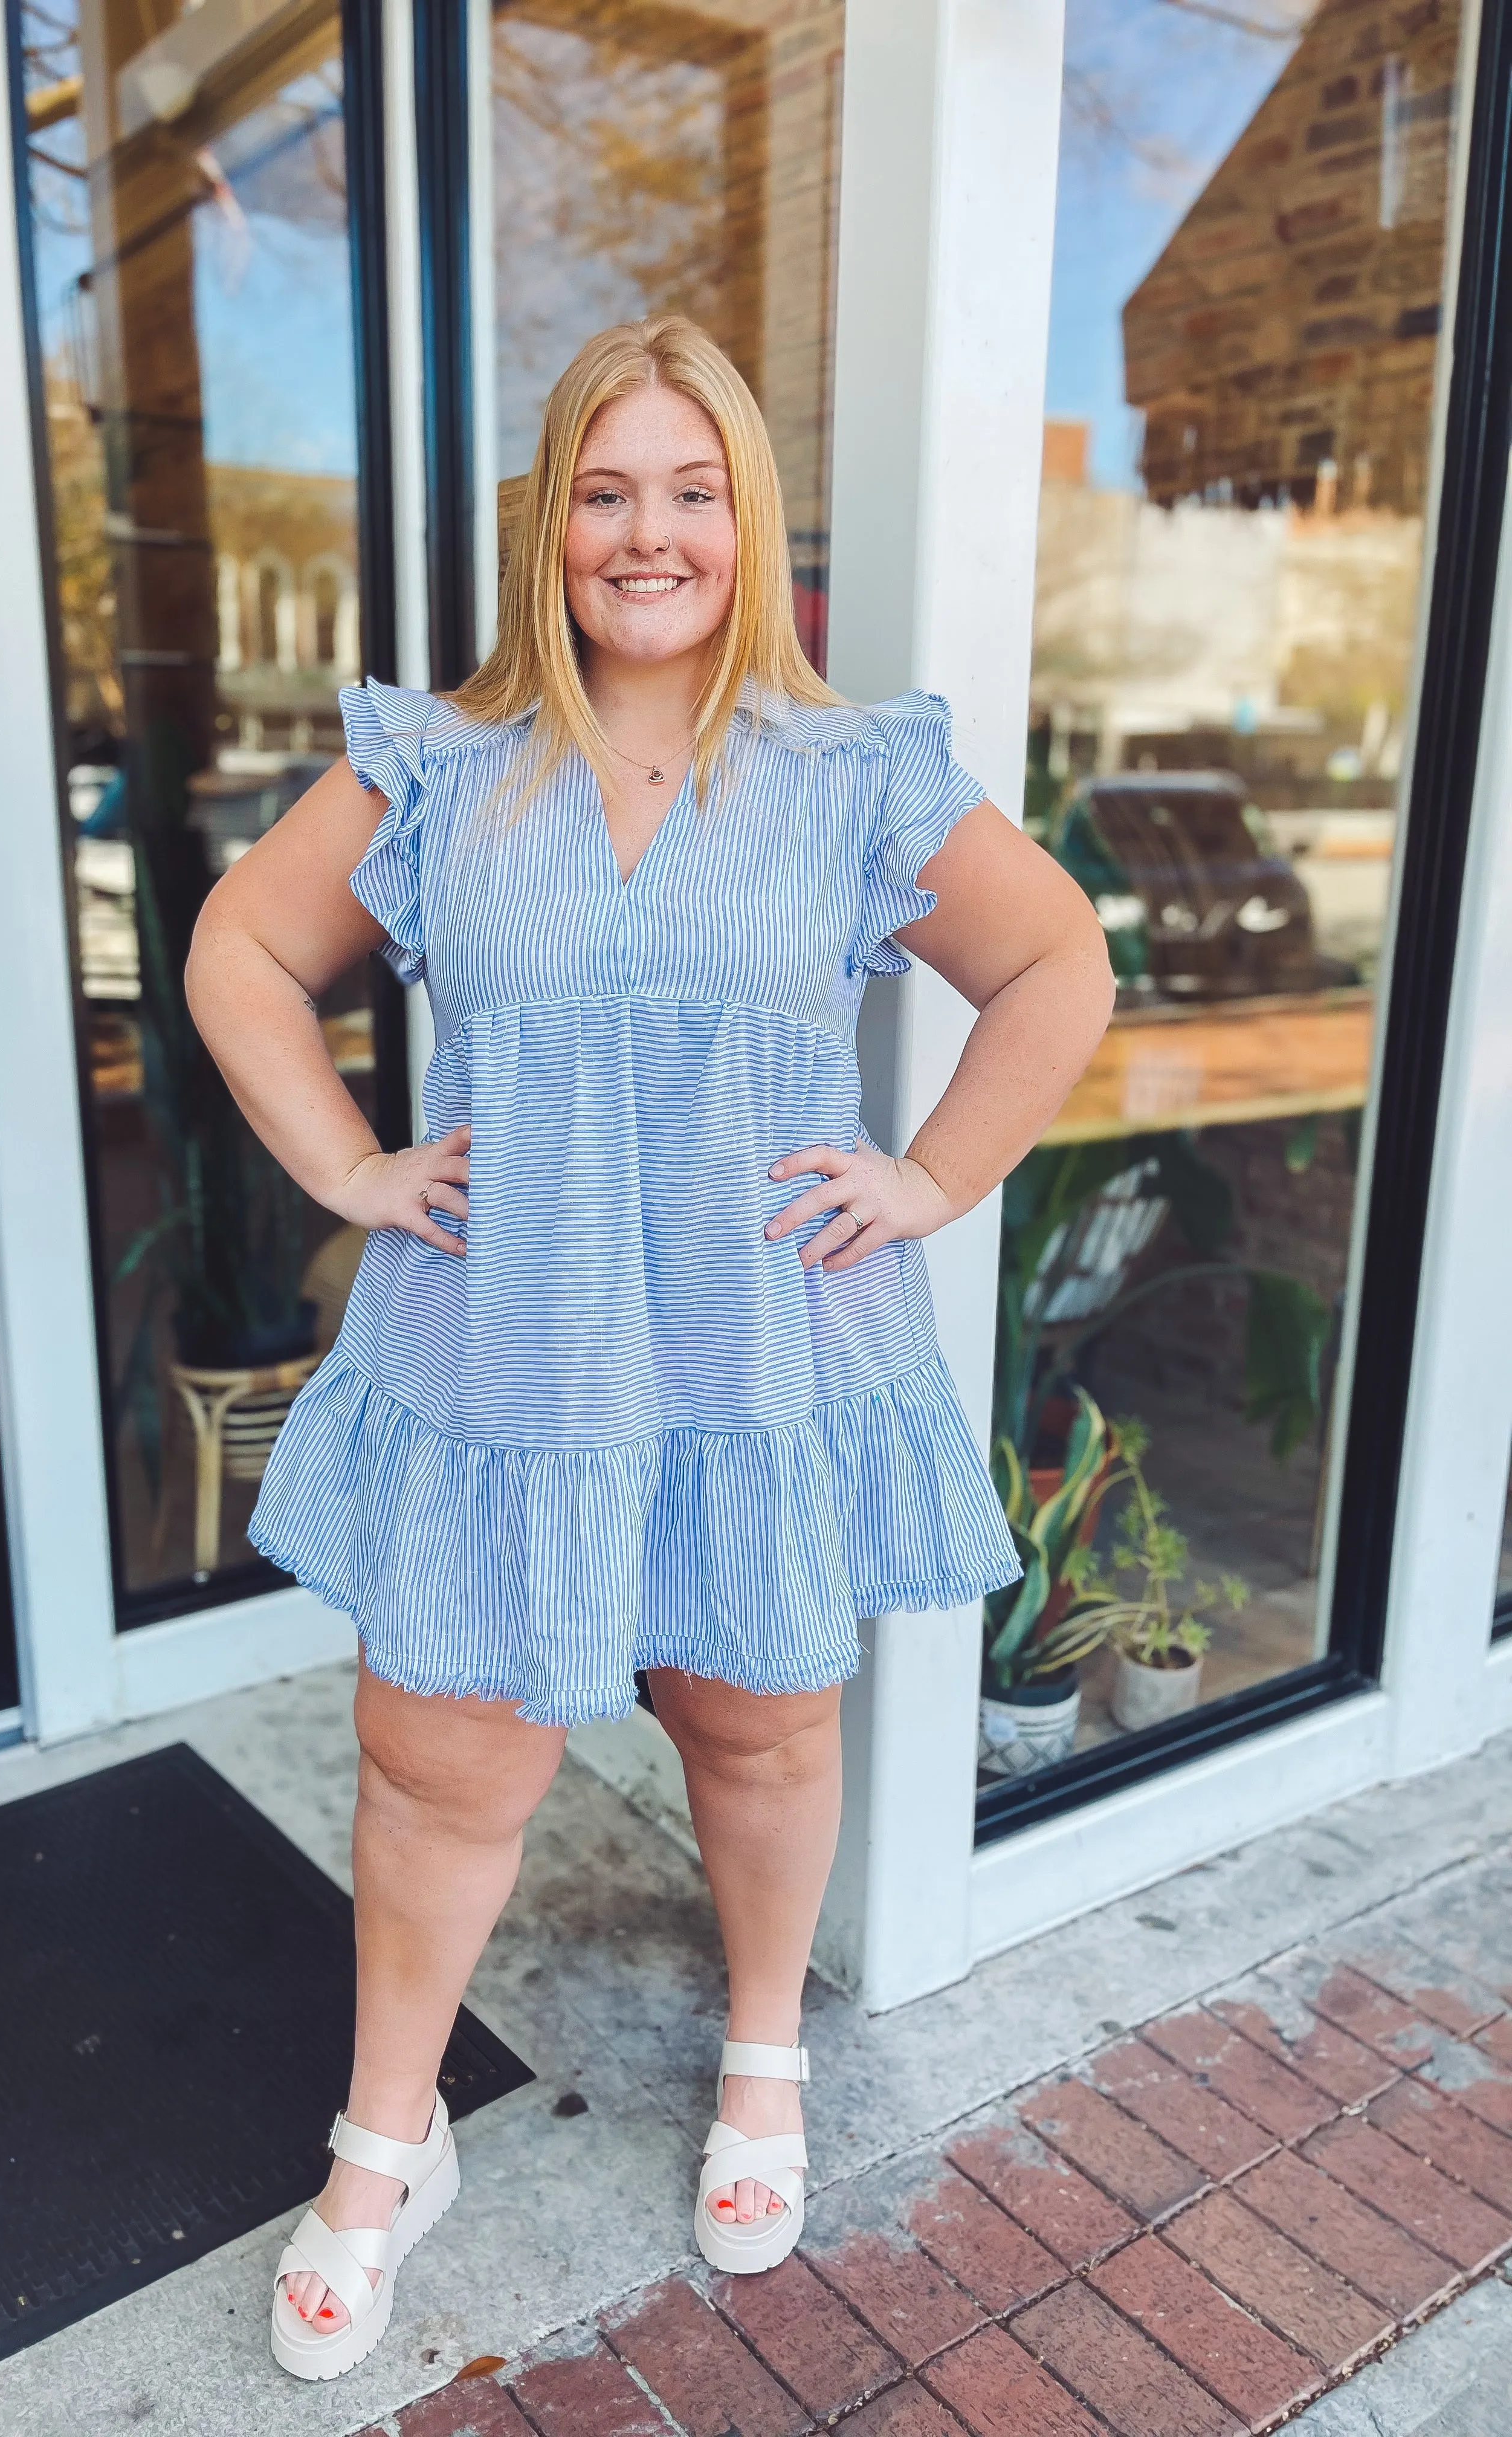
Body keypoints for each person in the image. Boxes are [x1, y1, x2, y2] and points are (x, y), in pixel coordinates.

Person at [185, 314, 1115, 2381]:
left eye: (693, 489)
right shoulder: (440, 760)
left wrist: (935, 1179)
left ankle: (763, 2054)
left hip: (753, 1343)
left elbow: (1056, 958)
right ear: (553, 526)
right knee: (440, 1757)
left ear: (750, 519)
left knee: (761, 1728)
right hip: (501, 1342)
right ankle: (387, 2139)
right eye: (608, 490)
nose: (649, 531)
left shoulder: (851, 769)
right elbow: (242, 947)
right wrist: (344, 1160)